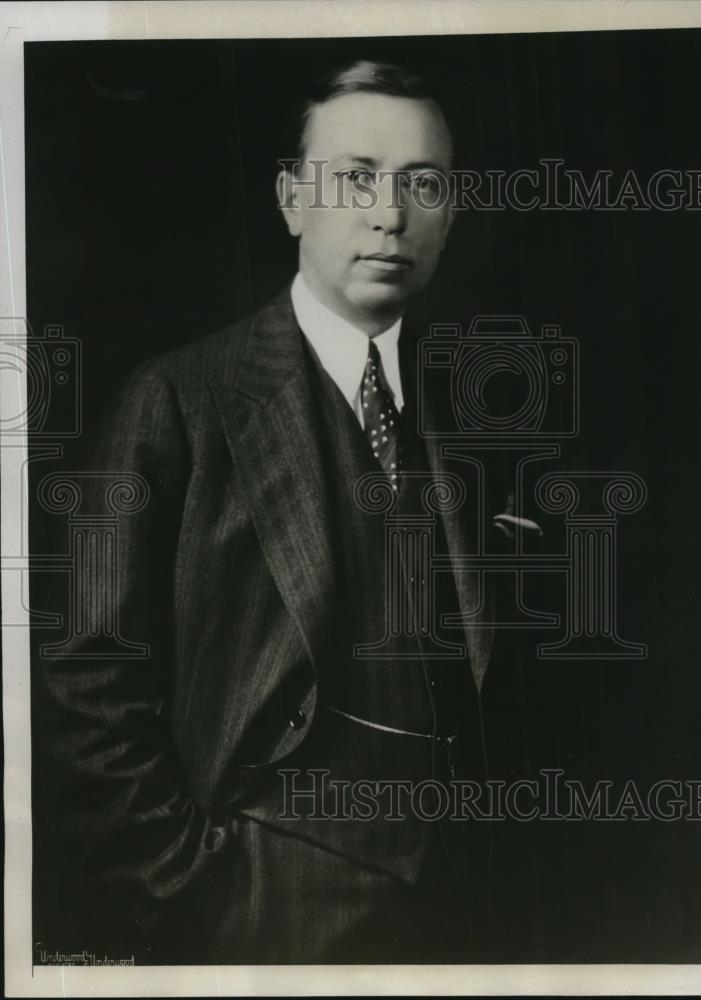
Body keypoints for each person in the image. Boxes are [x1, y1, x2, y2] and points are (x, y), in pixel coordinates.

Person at [34, 59, 511, 965]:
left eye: (424, 183)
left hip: (465, 931)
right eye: (356, 178)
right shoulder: (175, 401)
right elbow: (83, 698)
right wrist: (202, 902)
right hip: (257, 925)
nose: (389, 213)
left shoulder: (477, 413)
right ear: (292, 198)